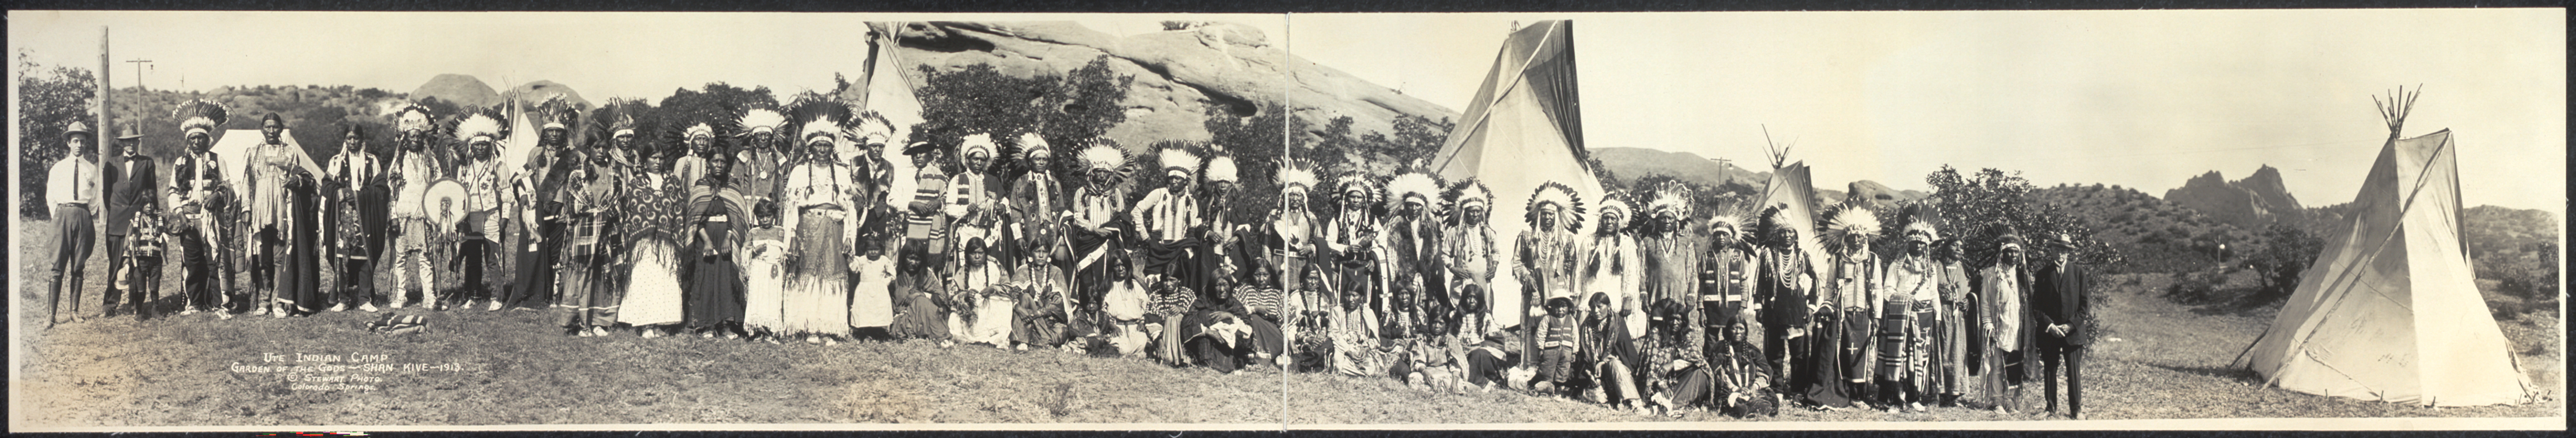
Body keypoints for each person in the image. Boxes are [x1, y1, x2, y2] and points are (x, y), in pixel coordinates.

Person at [780, 102, 861, 346]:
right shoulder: (800, 172)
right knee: (807, 274)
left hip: (835, 229)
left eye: (827, 146)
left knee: (831, 276)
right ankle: (808, 327)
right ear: (811, 148)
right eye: (818, 146)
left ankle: (828, 328)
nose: (823, 150)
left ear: (833, 148)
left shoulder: (843, 173)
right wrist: (791, 236)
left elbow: (850, 210)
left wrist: (850, 237)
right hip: (808, 228)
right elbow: (791, 208)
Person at [243, 113, 323, 317]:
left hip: (282, 211)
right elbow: (247, 183)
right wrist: (246, 209)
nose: (271, 131)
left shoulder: (290, 152)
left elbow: (301, 176)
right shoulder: (253, 153)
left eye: (275, 127)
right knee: (262, 260)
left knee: (280, 259)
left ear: (281, 129)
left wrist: (295, 180)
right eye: (268, 127)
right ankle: (263, 302)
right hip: (260, 212)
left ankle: (278, 302)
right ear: (262, 129)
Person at [502, 103, 578, 311]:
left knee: (556, 254)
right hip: (539, 208)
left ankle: (553, 295)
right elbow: (526, 181)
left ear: (564, 133)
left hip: (561, 209)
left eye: (558, 131)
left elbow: (574, 184)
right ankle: (537, 291)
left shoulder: (572, 156)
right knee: (537, 249)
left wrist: (568, 209)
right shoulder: (536, 153)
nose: (554, 134)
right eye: (550, 131)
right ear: (545, 133)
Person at [616, 128, 689, 338]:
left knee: (664, 279)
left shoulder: (673, 182)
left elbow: (679, 208)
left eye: (662, 158)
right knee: (645, 280)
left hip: (666, 243)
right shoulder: (637, 183)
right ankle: (645, 323)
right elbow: (632, 208)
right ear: (645, 160)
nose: (658, 162)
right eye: (653, 158)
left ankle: (660, 323)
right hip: (645, 242)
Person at [167, 100, 236, 318]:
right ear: (188, 141)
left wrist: (217, 195)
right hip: (188, 218)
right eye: (193, 138)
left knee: (213, 260)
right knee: (192, 262)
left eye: (201, 138)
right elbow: (172, 192)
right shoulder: (180, 162)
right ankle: (194, 303)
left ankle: (218, 304)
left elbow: (228, 185)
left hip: (211, 219)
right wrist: (180, 215)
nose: (197, 141)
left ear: (208, 140)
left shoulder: (218, 160)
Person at [683, 123, 751, 339]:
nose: (719, 165)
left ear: (728, 164)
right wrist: (708, 241)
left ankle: (727, 325)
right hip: (706, 239)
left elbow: (739, 217)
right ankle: (706, 325)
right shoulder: (701, 186)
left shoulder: (733, 186)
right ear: (709, 164)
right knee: (705, 278)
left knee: (726, 278)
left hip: (727, 238)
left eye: (723, 162)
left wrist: (729, 238)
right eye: (715, 161)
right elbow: (695, 218)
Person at [1515, 182, 1585, 372]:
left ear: (1557, 217)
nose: (1547, 217)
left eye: (1551, 214)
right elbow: (1517, 262)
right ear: (1538, 215)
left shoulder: (1566, 239)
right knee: (1534, 326)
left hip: (1557, 290)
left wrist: (1570, 292)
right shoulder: (1527, 236)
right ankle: (1531, 364)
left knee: (1556, 325)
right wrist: (1528, 280)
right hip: (1534, 290)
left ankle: (1554, 365)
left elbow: (1572, 266)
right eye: (1544, 213)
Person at [1877, 211, 1939, 412]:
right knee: (1900, 357)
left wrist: (1936, 315)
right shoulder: (1897, 265)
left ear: (1927, 246)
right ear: (1909, 244)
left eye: (1922, 243)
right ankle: (1896, 397)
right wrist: (1908, 301)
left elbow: (1934, 292)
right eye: (1915, 243)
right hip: (1901, 317)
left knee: (1921, 358)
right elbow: (1887, 291)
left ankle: (1914, 397)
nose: (1919, 246)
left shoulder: (1931, 268)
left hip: (1925, 317)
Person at [451, 112, 510, 312]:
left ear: (491, 145)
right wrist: (458, 218)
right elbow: (459, 192)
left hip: (491, 215)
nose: (480, 148)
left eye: (484, 144)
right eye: (477, 145)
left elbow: (506, 191)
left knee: (492, 257)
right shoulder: (465, 167)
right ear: (471, 146)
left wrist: (506, 216)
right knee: (473, 257)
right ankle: (474, 295)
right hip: (470, 217)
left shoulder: (499, 166)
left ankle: (497, 296)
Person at [386, 107, 442, 311]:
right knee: (400, 258)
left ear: (424, 138)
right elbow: (391, 191)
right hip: (402, 216)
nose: (415, 140)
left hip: (424, 215)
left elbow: (438, 187)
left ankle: (430, 296)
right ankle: (401, 295)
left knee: (425, 258)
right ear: (405, 139)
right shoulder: (398, 163)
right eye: (411, 137)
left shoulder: (432, 161)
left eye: (418, 136)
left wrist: (435, 215)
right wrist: (393, 217)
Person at [2032, 232, 2093, 419]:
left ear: (2069, 253)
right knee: (2050, 370)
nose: (2061, 254)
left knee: (2073, 372)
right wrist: (2050, 326)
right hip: (2050, 333)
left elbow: (2084, 306)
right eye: (2057, 250)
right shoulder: (2043, 274)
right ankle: (2050, 408)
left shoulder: (2078, 272)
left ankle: (2077, 410)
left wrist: (2071, 326)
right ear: (2051, 251)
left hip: (2073, 333)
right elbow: (2037, 307)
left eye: (2064, 251)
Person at [322, 124, 382, 312]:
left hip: (365, 215)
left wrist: (359, 196)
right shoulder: (336, 161)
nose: (353, 142)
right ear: (345, 140)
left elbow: (380, 188)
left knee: (365, 255)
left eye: (356, 138)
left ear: (362, 140)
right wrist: (341, 193)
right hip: (343, 216)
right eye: (349, 138)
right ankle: (344, 299)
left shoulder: (372, 161)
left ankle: (365, 299)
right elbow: (327, 186)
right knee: (343, 256)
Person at [47, 120, 101, 326]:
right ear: (69, 143)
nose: (79, 145)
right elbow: (50, 196)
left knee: (79, 265)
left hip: (83, 215)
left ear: (87, 144)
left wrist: (85, 215)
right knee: (57, 266)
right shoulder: (58, 168)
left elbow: (95, 198)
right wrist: (60, 216)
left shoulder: (91, 168)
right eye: (76, 141)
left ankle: (74, 311)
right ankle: (51, 315)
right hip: (62, 215)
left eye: (83, 142)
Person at [101, 124, 159, 317]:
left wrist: (148, 219)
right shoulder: (111, 164)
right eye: (127, 141)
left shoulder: (147, 163)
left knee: (138, 265)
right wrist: (118, 213)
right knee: (117, 263)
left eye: (134, 140)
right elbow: (107, 195)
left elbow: (152, 194)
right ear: (121, 144)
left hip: (140, 222)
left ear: (138, 142)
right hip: (117, 222)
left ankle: (136, 304)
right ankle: (110, 306)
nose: (130, 144)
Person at [1132, 146, 1204, 294]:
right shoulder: (1159, 194)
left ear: (1185, 181)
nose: (1174, 181)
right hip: (1159, 248)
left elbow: (1194, 225)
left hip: (1180, 249)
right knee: (1153, 283)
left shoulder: (1191, 201)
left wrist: (1189, 246)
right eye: (1171, 178)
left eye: (1178, 178)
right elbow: (1137, 211)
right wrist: (1146, 237)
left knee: (1180, 281)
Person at [1583, 194, 1645, 354]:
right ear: (1600, 220)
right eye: (1605, 218)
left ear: (1619, 222)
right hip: (1592, 296)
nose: (1609, 222)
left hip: (1615, 298)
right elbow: (1581, 272)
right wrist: (1578, 297)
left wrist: (1628, 299)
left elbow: (1631, 275)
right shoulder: (1589, 241)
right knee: (1590, 339)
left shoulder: (1626, 243)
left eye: (1613, 219)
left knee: (1615, 339)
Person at [1981, 227, 2034, 413]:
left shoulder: (2021, 275)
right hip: (1998, 325)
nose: (2013, 255)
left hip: (2017, 327)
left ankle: (2010, 400)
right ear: (2002, 253)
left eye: (2016, 252)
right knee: (1997, 364)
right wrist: (1988, 324)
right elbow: (1986, 302)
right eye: (2009, 251)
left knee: (2015, 363)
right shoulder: (1991, 274)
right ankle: (1996, 400)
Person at [1320, 171, 1384, 323]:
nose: (1356, 200)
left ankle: (1363, 331)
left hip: (1366, 270)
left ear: (1364, 200)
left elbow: (1383, 242)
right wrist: (1345, 249)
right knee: (1343, 301)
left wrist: (1375, 260)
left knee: (1365, 301)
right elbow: (1328, 242)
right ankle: (1342, 329)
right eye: (1352, 197)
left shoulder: (1372, 220)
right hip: (1343, 268)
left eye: (1359, 197)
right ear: (1346, 199)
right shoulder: (1338, 219)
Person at [1384, 170, 1445, 325]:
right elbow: (1391, 251)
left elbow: (1437, 250)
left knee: (1426, 300)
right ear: (1405, 206)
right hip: (1403, 271)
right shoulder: (1397, 223)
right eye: (1410, 205)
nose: (1414, 209)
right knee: (1405, 299)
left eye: (1417, 206)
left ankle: (1424, 327)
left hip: (1426, 272)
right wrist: (1395, 273)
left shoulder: (1432, 225)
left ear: (1423, 208)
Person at [1442, 180, 1498, 338]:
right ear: (1465, 212)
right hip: (1463, 280)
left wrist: (1494, 267)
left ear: (1483, 212)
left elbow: (1496, 252)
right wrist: (1453, 268)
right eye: (1472, 211)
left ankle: (1482, 339)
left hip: (1482, 280)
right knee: (1460, 310)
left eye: (1478, 211)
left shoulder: (1488, 232)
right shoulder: (1455, 232)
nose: (1475, 215)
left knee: (1482, 310)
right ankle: (1457, 339)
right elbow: (1445, 254)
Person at [1582, 292, 1643, 410]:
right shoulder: (1586, 327)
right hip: (1596, 374)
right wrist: (1588, 373)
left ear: (1609, 307)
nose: (1596, 311)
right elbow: (1582, 356)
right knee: (1596, 397)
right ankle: (1612, 399)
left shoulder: (1618, 323)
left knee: (1615, 364)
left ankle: (1634, 404)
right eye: (1593, 308)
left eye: (1599, 307)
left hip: (1616, 369)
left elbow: (1624, 352)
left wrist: (1604, 361)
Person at [1934, 238, 1974, 407]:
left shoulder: (1963, 268)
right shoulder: (1935, 265)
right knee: (1940, 350)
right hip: (1940, 314)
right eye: (1954, 245)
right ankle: (1937, 393)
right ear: (1946, 248)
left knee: (1957, 352)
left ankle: (1953, 394)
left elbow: (1968, 291)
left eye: (1962, 247)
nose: (1959, 249)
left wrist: (1968, 302)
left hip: (1957, 318)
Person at [1529, 296, 1582, 396]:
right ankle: (1535, 386)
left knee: (1563, 371)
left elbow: (1575, 336)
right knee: (1546, 370)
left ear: (1568, 308)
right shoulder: (1548, 319)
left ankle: (1558, 391)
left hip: (1566, 351)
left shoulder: (1571, 320)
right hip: (1550, 351)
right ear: (1552, 308)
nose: (1560, 310)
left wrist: (1574, 352)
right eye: (1557, 307)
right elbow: (1541, 334)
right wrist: (1541, 349)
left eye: (1564, 307)